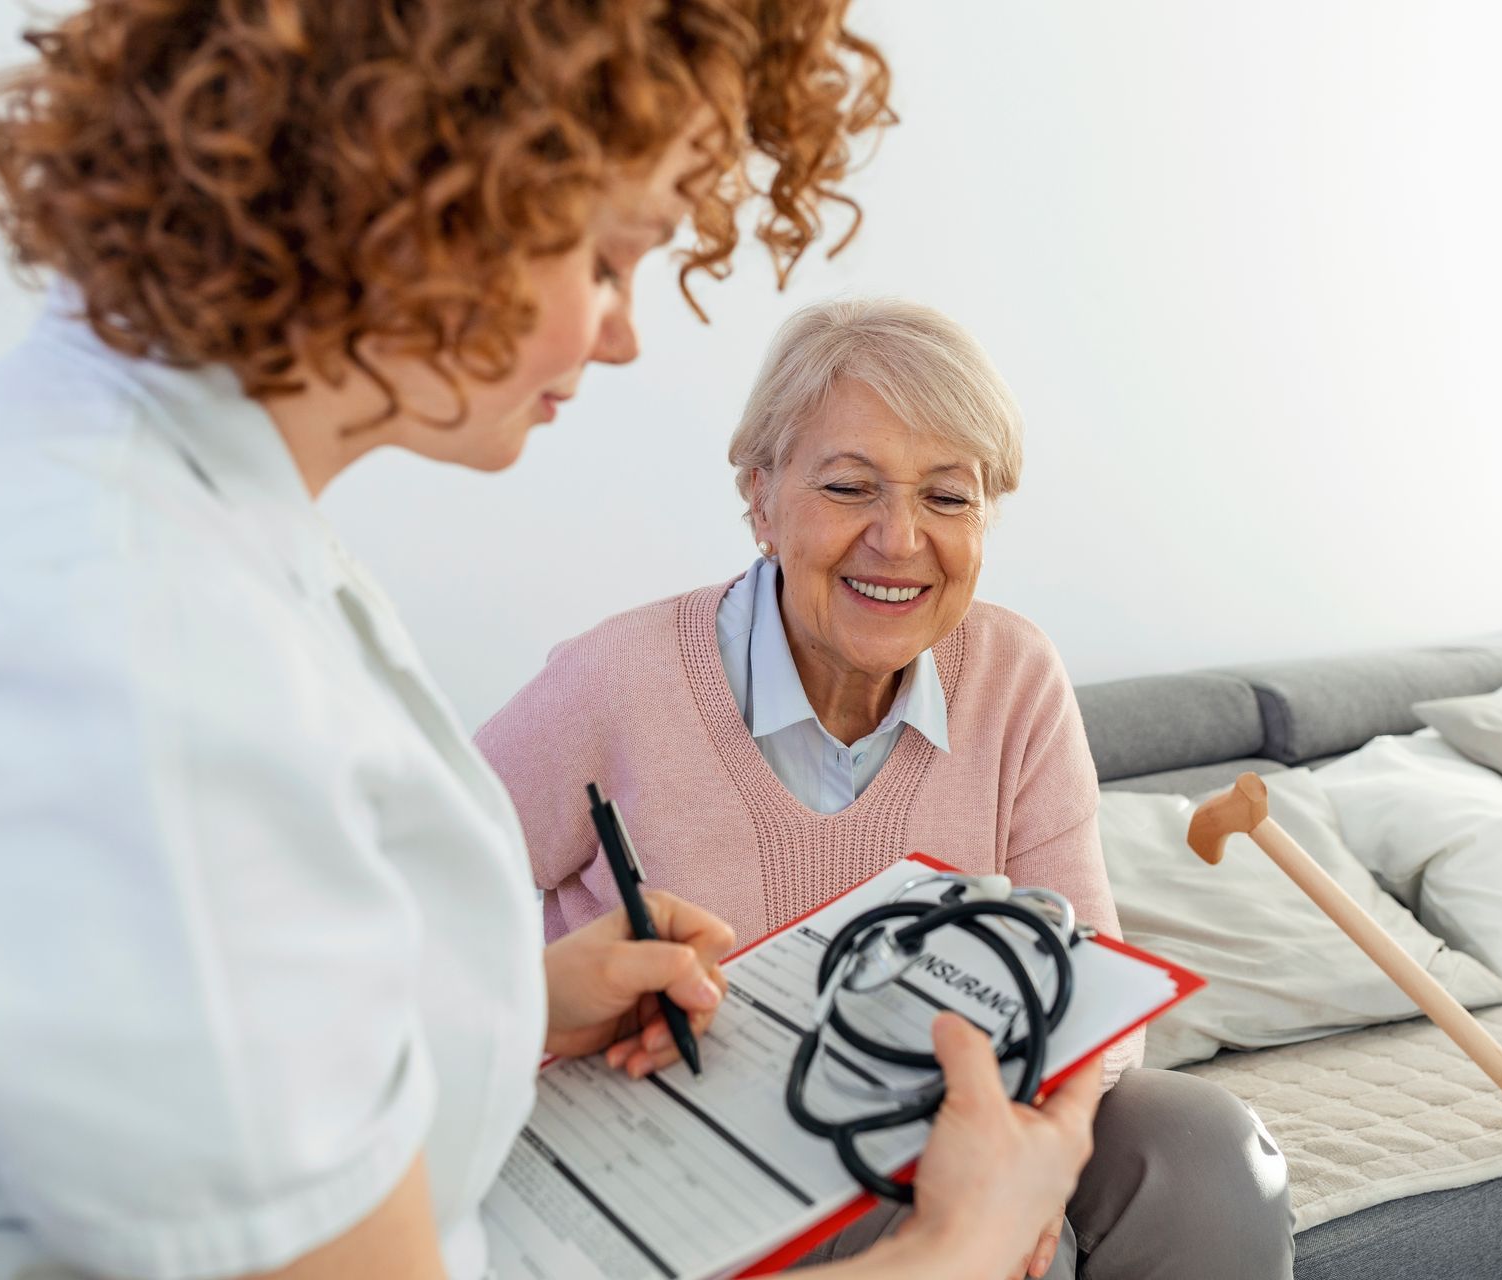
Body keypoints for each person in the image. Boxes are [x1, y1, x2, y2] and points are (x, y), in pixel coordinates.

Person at [0, 4, 1108, 1279]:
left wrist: (535, 996)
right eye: (608, 260)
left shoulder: (186, 513)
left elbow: (265, 1040)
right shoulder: (137, 652)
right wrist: (962, 1243)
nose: (622, 333)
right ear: (430, 194)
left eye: (949, 493)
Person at [477, 298, 1297, 1279]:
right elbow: (389, 929)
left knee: (1205, 1145)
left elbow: (1095, 989)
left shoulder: (1016, 673)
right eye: (850, 486)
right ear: (761, 497)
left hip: (944, 1116)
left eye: (948, 497)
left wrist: (1037, 1162)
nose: (900, 537)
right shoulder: (612, 678)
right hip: (681, 1153)